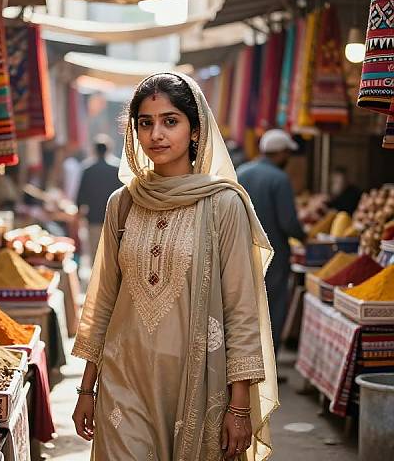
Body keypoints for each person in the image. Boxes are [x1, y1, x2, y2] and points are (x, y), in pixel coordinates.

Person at [72, 73, 278, 461]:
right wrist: (87, 388)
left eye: (170, 121)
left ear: (195, 129)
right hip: (123, 380)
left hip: (197, 382)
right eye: (145, 123)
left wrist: (239, 406)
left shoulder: (223, 204)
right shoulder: (124, 203)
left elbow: (241, 309)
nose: (156, 135)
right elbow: (102, 301)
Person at [237, 130, 306, 355]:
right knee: (271, 308)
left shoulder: (242, 172)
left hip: (240, 252)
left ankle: (240, 363)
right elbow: (288, 222)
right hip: (273, 256)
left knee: (241, 308)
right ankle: (266, 365)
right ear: (283, 153)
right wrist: (305, 238)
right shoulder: (279, 179)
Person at [76, 134, 121, 263]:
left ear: (94, 150)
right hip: (113, 218)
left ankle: (96, 282)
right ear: (109, 149)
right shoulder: (116, 169)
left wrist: (79, 213)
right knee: (111, 253)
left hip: (93, 218)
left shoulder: (88, 170)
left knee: (95, 253)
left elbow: (80, 194)